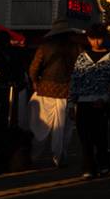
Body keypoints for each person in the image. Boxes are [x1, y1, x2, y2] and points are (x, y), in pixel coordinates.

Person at [69, 24, 110, 178]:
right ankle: (88, 167)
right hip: (82, 102)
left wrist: (105, 99)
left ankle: (103, 165)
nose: (96, 42)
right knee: (85, 137)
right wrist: (71, 104)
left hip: (101, 103)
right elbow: (75, 81)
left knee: (101, 136)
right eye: (92, 39)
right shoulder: (82, 57)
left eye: (99, 38)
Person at [28, 25, 80, 167]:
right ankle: (59, 157)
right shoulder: (76, 48)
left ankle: (34, 157)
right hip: (66, 91)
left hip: (45, 90)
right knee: (63, 129)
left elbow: (33, 68)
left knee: (39, 128)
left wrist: (34, 82)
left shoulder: (44, 47)